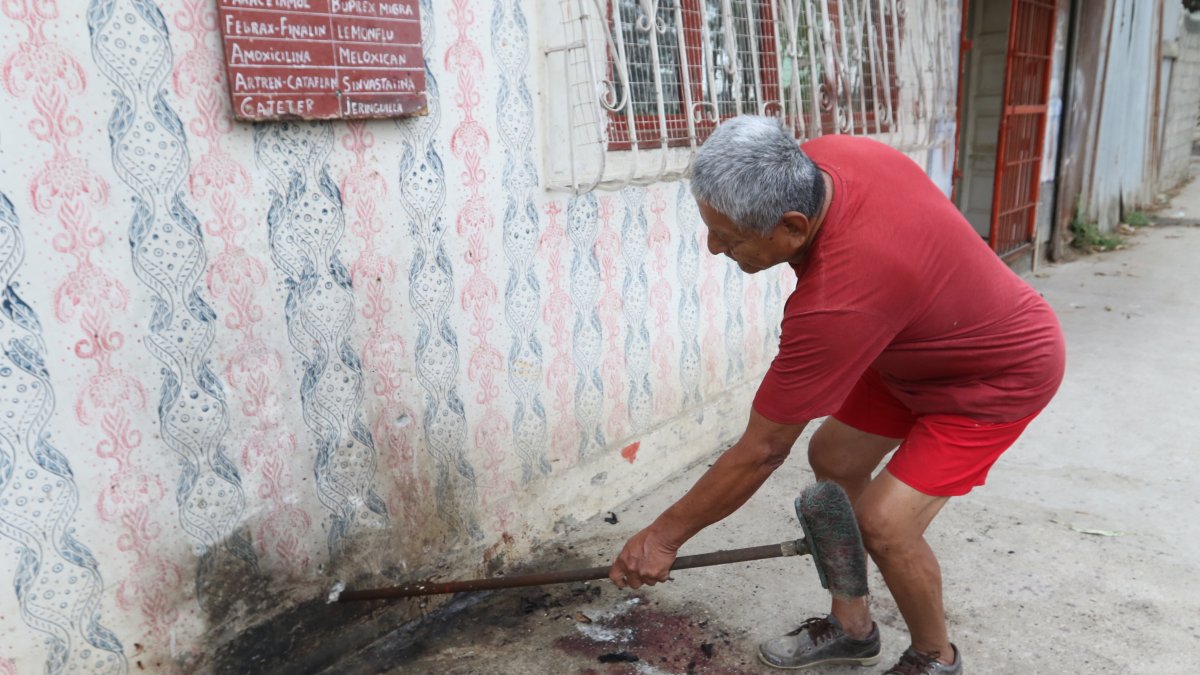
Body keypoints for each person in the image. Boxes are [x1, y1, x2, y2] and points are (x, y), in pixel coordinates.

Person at [607, 115, 1065, 674]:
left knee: (885, 523)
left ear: (794, 227)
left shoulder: (838, 303)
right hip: (908, 344)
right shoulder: (822, 160)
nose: (712, 247)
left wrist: (661, 538)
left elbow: (761, 451)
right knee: (833, 458)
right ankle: (851, 627)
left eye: (728, 238)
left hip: (994, 374)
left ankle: (935, 657)